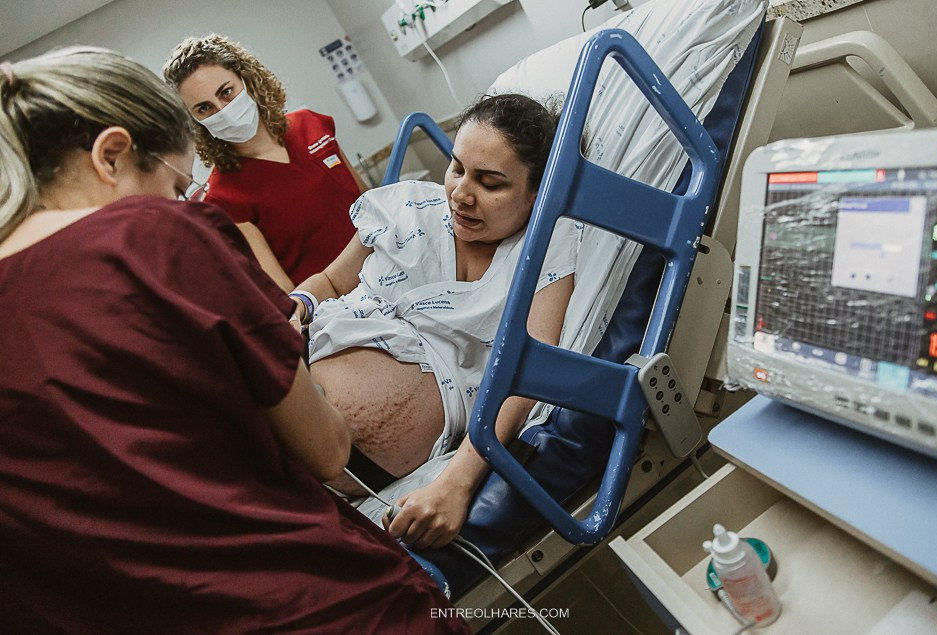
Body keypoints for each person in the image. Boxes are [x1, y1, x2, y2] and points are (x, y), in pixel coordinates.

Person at [0, 48, 467, 633]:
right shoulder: (159, 239)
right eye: (175, 187)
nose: (178, 203)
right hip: (306, 602)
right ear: (112, 156)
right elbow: (326, 451)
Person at [291, 93, 581, 549]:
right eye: (457, 168)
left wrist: (456, 484)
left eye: (490, 182)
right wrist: (297, 304)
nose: (461, 194)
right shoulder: (406, 206)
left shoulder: (544, 249)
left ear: (537, 191)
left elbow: (528, 376)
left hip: (343, 462)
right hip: (292, 371)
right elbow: (329, 280)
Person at [163, 34, 368, 290]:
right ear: (194, 121)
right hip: (346, 303)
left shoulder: (310, 123)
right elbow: (288, 294)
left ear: (247, 80)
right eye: (205, 108)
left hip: (394, 266)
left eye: (226, 92)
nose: (222, 111)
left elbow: (369, 201)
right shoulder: (223, 198)